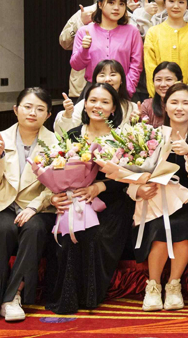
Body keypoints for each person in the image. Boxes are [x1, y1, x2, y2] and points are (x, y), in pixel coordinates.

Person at [45, 83, 135, 314]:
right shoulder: (73, 135)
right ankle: (66, 297)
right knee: (70, 235)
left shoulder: (122, 139)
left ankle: (89, 296)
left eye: (105, 102)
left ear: (113, 109)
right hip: (77, 199)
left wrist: (100, 186)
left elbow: (130, 177)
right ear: (84, 105)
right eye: (93, 100)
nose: (98, 106)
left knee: (97, 235)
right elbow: (59, 169)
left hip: (113, 201)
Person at [0, 88, 57, 326]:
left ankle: (13, 297)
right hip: (1, 204)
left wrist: (34, 207)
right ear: (16, 110)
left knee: (34, 229)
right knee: (4, 229)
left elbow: (56, 185)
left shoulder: (54, 143)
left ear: (48, 115)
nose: (33, 113)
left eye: (40, 109)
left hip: (38, 206)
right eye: (27, 107)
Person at [131, 84, 188, 311]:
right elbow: (132, 172)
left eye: (185, 103)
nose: (179, 108)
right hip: (155, 200)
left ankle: (174, 285)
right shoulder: (152, 136)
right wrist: (137, 191)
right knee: (160, 229)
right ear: (165, 106)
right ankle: (153, 287)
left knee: (183, 226)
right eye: (174, 102)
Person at [60, 0, 124, 98]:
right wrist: (80, 23)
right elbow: (64, 42)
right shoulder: (84, 13)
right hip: (82, 87)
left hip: (118, 89)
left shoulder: (125, 17)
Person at [70, 0, 143, 98]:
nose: (116, 8)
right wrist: (83, 49)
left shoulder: (132, 31)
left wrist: (127, 89)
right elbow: (76, 65)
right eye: (111, 3)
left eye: (121, 4)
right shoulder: (84, 31)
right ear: (100, 4)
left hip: (124, 91)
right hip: (93, 90)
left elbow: (136, 65)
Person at [55, 59, 140, 133]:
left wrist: (136, 122)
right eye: (102, 75)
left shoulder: (132, 108)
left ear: (121, 80)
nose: (107, 79)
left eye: (113, 75)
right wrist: (67, 114)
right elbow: (63, 132)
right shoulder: (86, 104)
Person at [139, 62, 188, 130]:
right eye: (158, 80)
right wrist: (137, 119)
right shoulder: (147, 105)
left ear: (180, 81)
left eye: (168, 79)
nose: (163, 84)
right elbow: (142, 133)